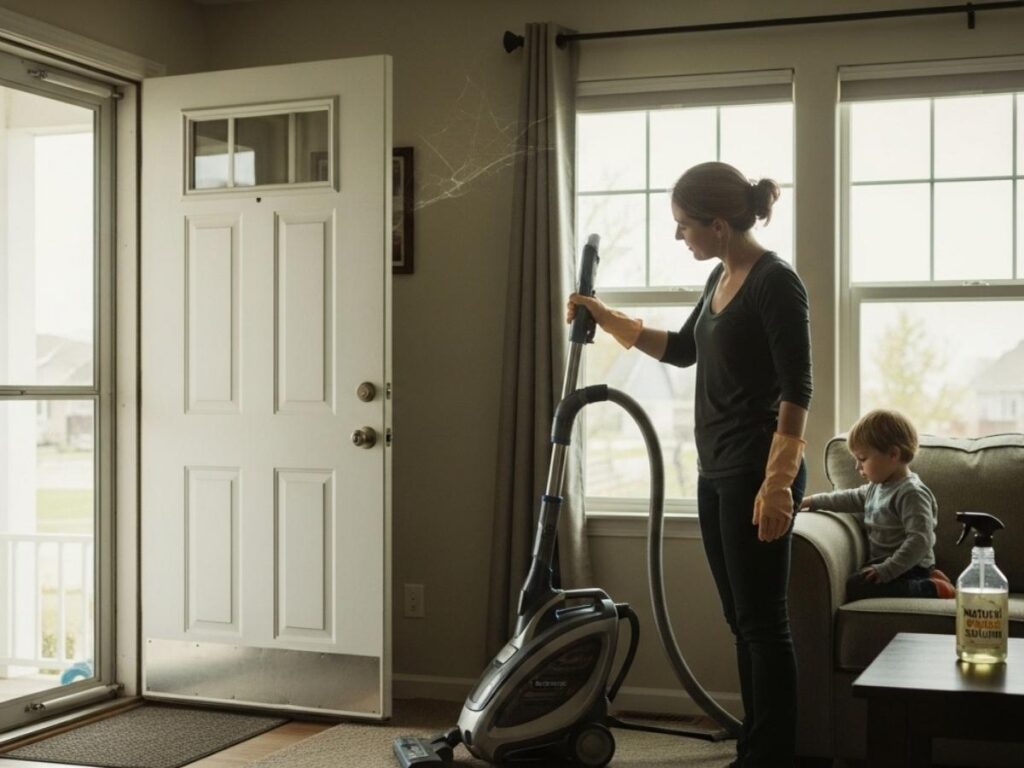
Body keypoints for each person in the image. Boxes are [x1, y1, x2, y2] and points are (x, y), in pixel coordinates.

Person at [568, 161, 811, 767]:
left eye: (684, 225)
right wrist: (606, 316)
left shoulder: (775, 281)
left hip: (757, 474)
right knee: (741, 621)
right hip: (716, 469)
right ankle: (755, 746)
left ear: (719, 224)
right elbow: (682, 351)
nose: (679, 235)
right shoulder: (720, 277)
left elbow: (797, 388)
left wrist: (778, 483)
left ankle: (771, 756)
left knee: (763, 624)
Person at [798, 409, 954, 600]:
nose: (857, 467)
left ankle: (932, 588)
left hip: (910, 566)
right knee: (857, 580)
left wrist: (887, 569)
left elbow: (921, 540)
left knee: (856, 586)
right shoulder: (877, 487)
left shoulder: (912, 493)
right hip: (887, 563)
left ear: (893, 454)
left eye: (862, 459)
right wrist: (812, 501)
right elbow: (848, 498)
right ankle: (930, 580)